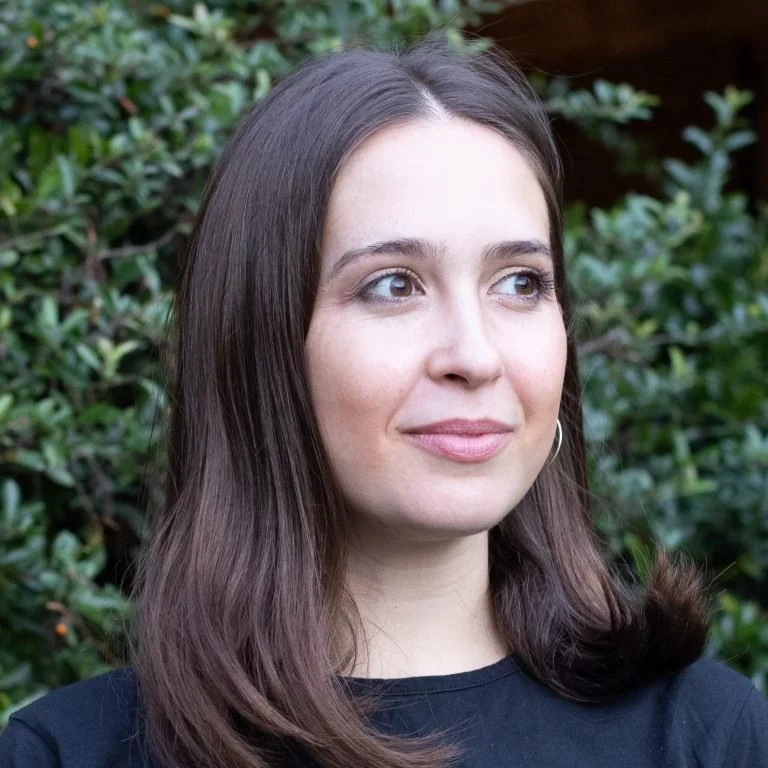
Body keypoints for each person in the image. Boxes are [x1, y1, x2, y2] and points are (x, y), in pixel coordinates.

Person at [1, 32, 766, 768]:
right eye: (393, 285)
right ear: (261, 344)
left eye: (520, 283)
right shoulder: (66, 753)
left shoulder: (712, 739)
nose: (474, 354)